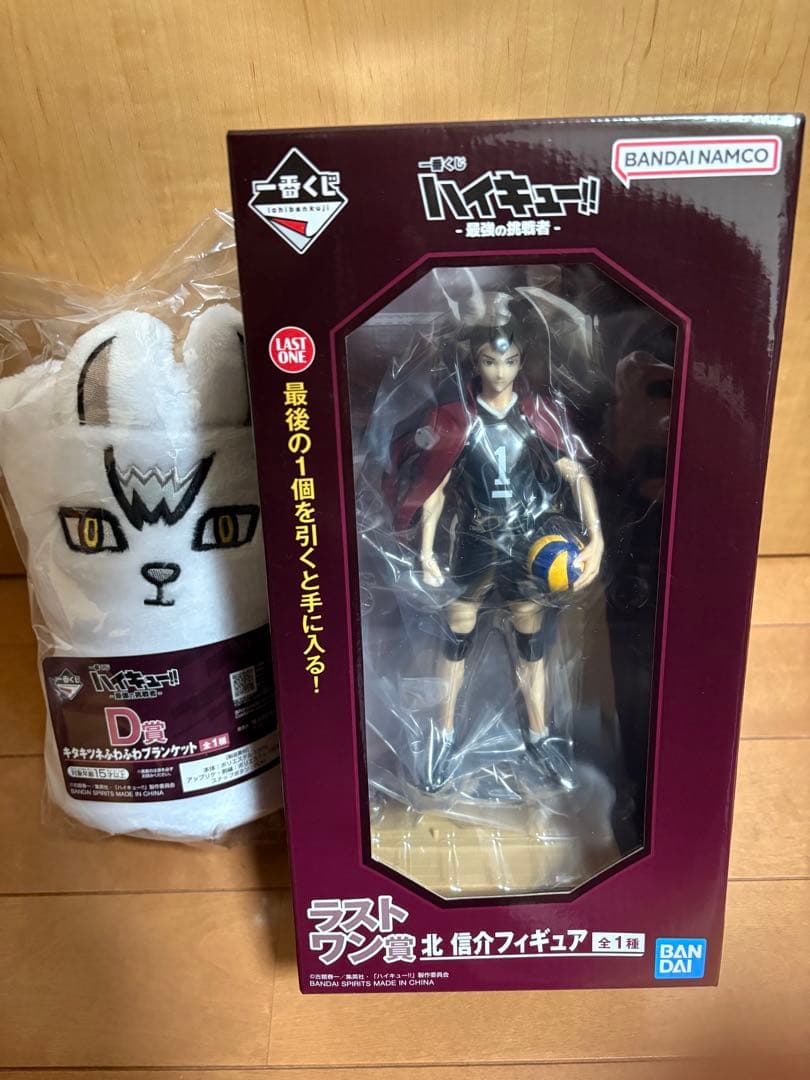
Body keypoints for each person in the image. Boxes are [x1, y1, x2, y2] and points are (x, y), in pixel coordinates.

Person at [387, 294, 603, 791]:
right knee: (456, 636)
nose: (500, 372)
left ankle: (539, 734)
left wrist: (596, 539)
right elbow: (436, 489)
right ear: (475, 361)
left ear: (521, 361)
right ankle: (442, 735)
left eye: (509, 361)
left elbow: (575, 473)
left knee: (531, 642)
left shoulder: (538, 414)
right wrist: (425, 552)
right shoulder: (457, 419)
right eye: (490, 361)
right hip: (474, 539)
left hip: (528, 545)